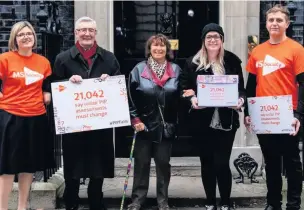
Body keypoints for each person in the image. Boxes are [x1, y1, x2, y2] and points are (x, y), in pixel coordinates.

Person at [52, 16, 121, 210]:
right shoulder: (63, 59)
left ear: (96, 33)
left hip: (100, 122)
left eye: (91, 30)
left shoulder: (109, 58)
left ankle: (96, 200)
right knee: (73, 162)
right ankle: (71, 200)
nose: (87, 33)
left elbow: (118, 90)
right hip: (74, 123)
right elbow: (53, 87)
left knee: (99, 163)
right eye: (83, 30)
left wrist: (110, 82)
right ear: (76, 33)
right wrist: (66, 83)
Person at [179, 23, 246, 210]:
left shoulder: (232, 61)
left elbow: (242, 89)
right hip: (202, 122)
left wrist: (240, 101)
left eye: (217, 36)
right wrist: (191, 98)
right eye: (209, 37)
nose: (213, 40)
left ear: (222, 39)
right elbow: (183, 88)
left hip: (226, 121)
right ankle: (210, 202)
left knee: (222, 163)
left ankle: (225, 202)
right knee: (207, 162)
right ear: (203, 40)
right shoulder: (192, 62)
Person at [244, 4, 303, 210]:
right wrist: (248, 113)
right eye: (271, 20)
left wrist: (298, 114)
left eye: (279, 20)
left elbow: (303, 84)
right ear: (266, 24)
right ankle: (273, 203)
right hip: (264, 116)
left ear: (287, 23)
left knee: (292, 163)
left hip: (288, 116)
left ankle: (294, 205)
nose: (275, 23)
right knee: (271, 163)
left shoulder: (296, 49)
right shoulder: (258, 51)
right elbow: (250, 86)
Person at [127, 34, 193, 210]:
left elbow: (181, 93)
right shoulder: (138, 70)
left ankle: (163, 201)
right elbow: (129, 97)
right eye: (155, 46)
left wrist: (189, 95)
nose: (159, 49)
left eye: (162, 46)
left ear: (167, 49)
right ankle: (137, 200)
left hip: (165, 127)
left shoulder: (176, 70)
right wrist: (135, 119)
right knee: (142, 164)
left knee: (163, 165)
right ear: (149, 49)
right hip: (143, 126)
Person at [0, 21, 54, 210]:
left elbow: (47, 84)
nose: (26, 37)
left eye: (29, 34)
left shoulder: (43, 62)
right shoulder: (5, 59)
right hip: (11, 116)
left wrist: (47, 93)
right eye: (21, 34)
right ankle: (3, 207)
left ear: (34, 37)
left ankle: (22, 206)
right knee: (6, 166)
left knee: (28, 165)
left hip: (36, 117)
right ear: (14, 39)